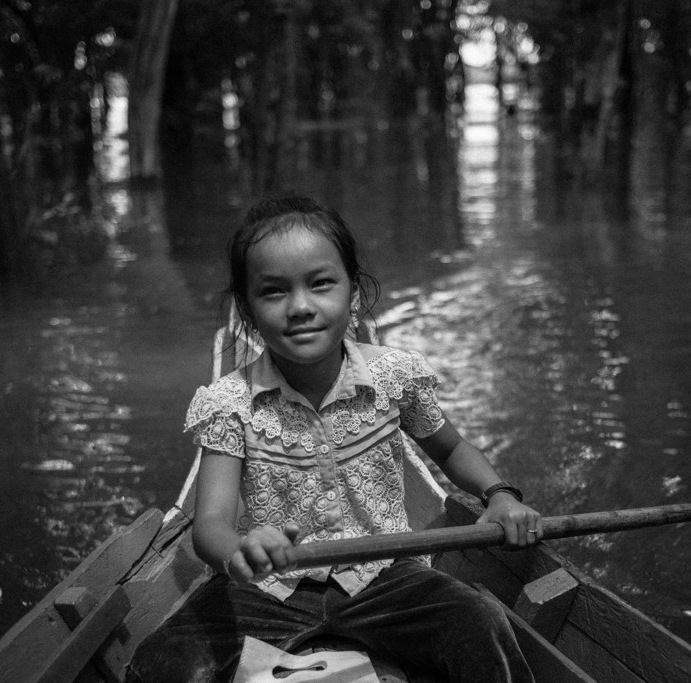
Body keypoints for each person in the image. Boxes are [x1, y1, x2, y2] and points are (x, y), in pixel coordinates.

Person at [126, 196, 543, 682]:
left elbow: (451, 450)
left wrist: (499, 496)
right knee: (163, 664)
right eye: (274, 292)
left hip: (384, 575)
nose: (301, 307)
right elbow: (211, 524)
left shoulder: (393, 377)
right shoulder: (230, 403)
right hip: (270, 588)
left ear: (354, 294)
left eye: (321, 284)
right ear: (247, 309)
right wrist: (241, 551)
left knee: (481, 624)